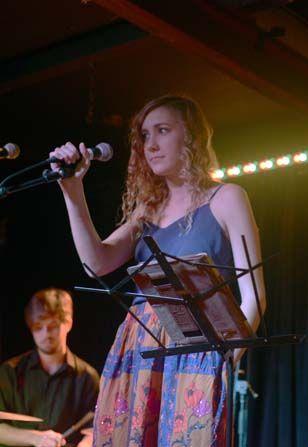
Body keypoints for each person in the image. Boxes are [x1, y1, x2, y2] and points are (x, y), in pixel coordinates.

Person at [50, 95, 266, 446]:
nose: (151, 144)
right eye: (145, 136)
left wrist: (224, 358)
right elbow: (96, 262)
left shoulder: (227, 197)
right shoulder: (147, 211)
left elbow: (254, 297)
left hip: (196, 346)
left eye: (162, 131)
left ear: (192, 137)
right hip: (140, 345)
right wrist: (72, 190)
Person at [0, 288, 99, 447]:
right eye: (38, 327)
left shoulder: (87, 377)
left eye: (52, 325)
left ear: (68, 323)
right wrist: (36, 438)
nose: (46, 334)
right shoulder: (9, 372)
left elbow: (94, 430)